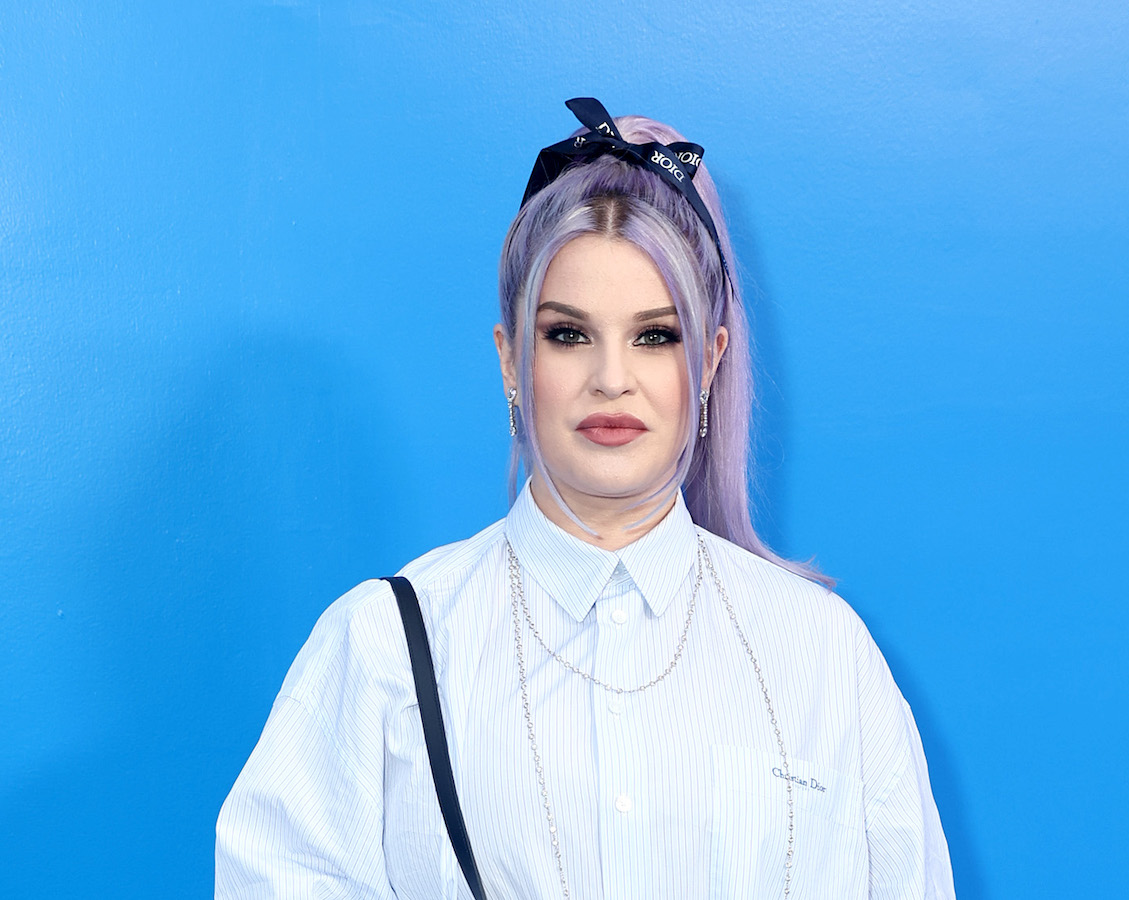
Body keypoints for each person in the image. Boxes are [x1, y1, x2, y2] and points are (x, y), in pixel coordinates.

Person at [215, 98, 955, 899]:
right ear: (509, 357)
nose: (611, 377)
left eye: (655, 334)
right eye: (568, 333)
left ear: (709, 361)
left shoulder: (820, 655)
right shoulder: (386, 649)